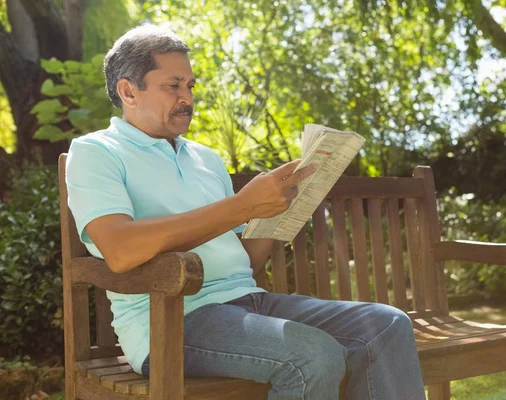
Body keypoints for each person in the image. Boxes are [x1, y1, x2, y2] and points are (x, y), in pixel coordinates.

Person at [66, 24, 426, 400]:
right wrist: (242, 205)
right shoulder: (96, 152)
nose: (187, 97)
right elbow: (119, 250)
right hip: (171, 320)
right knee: (313, 356)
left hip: (250, 303)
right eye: (173, 86)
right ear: (128, 91)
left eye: (190, 85)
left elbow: (246, 262)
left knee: (385, 325)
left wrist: (281, 208)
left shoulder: (206, 158)